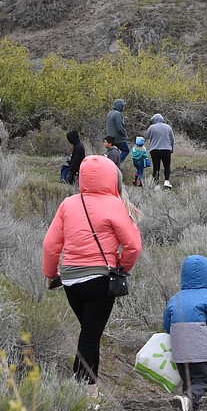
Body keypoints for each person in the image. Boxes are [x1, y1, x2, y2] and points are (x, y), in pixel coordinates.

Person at [42, 156, 142, 392]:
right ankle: (85, 394)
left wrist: (50, 273)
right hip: (99, 280)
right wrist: (122, 269)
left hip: (70, 281)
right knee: (90, 337)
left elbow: (50, 245)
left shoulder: (68, 203)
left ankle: (80, 390)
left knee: (88, 334)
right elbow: (133, 247)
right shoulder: (116, 205)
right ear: (112, 177)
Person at [164, 254, 207, 411]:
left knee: (189, 383)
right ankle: (188, 402)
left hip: (179, 349)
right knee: (201, 383)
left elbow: (167, 324)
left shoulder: (175, 298)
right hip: (200, 345)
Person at [145, 113, 175, 189]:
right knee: (167, 166)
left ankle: (156, 184)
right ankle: (167, 182)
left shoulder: (152, 127)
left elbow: (146, 136)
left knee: (156, 167)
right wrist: (172, 148)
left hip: (154, 150)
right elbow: (172, 139)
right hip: (166, 149)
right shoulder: (168, 127)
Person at [105, 99, 130, 164]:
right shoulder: (118, 114)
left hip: (110, 138)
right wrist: (125, 135)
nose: (123, 107)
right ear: (119, 105)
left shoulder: (109, 113)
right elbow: (120, 127)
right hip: (118, 138)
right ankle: (116, 163)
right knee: (126, 150)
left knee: (113, 152)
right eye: (122, 105)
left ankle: (109, 164)